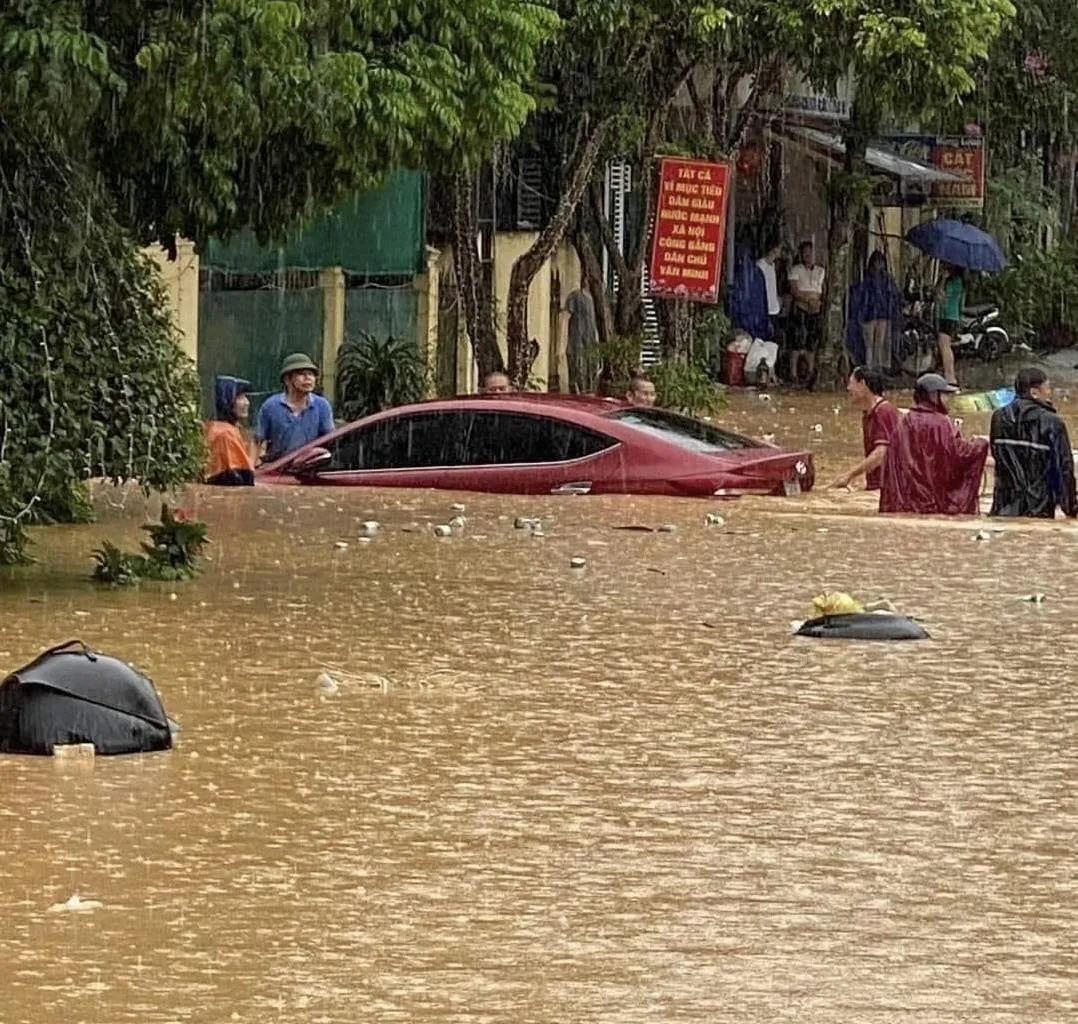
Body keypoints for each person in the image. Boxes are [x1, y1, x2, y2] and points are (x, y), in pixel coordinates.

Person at [879, 373, 989, 515]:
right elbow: (955, 454)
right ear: (933, 395)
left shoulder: (904, 421)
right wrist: (980, 444)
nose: (947, 399)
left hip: (904, 500)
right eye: (944, 395)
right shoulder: (941, 422)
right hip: (931, 501)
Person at [989, 367, 1077, 518]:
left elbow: (997, 457)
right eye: (1047, 388)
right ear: (1034, 392)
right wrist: (1071, 507)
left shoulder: (998, 418)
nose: (1049, 394)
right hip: (1039, 508)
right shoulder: (1053, 422)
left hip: (1003, 506)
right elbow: (1064, 468)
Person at [829, 367, 901, 491]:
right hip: (880, 486)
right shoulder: (869, 414)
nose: (848, 388)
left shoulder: (883, 412)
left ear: (862, 384)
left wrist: (849, 475)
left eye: (851, 383)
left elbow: (881, 454)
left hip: (889, 487)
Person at [255, 353, 335, 464]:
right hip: (277, 470)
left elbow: (330, 440)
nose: (308, 378)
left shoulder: (322, 406)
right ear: (287, 380)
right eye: (302, 374)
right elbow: (258, 442)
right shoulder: (270, 406)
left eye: (311, 374)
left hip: (310, 469)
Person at [848, 251, 903, 373]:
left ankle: (878, 366)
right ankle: (869, 366)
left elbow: (893, 294)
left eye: (881, 262)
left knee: (880, 342)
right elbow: (860, 295)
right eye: (877, 262)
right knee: (869, 342)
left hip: (882, 313)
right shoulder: (865, 278)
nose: (879, 265)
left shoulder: (887, 279)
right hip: (868, 313)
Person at [204, 376, 256, 486]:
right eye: (240, 398)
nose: (247, 402)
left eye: (245, 397)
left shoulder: (216, 427)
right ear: (227, 401)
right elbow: (239, 476)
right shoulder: (226, 434)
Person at [787, 241, 826, 384]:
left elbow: (820, 292)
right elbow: (794, 291)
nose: (808, 256)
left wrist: (815, 300)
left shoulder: (821, 271)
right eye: (805, 253)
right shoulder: (795, 270)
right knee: (797, 342)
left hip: (815, 310)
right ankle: (793, 374)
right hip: (800, 310)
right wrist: (808, 299)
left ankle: (810, 373)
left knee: (812, 343)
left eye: (811, 253)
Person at [728, 244, 771, 344]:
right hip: (757, 320)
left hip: (742, 319)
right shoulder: (757, 273)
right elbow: (764, 300)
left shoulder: (735, 273)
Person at [565, 282, 598, 394]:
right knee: (578, 371)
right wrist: (560, 347)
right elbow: (564, 318)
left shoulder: (598, 300)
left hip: (592, 346)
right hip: (577, 343)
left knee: (592, 372)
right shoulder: (576, 296)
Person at [937, 265, 965, 386]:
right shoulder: (950, 281)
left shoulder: (956, 282)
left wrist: (943, 280)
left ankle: (950, 376)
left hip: (950, 316)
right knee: (942, 346)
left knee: (945, 346)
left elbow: (942, 297)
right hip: (945, 316)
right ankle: (947, 374)